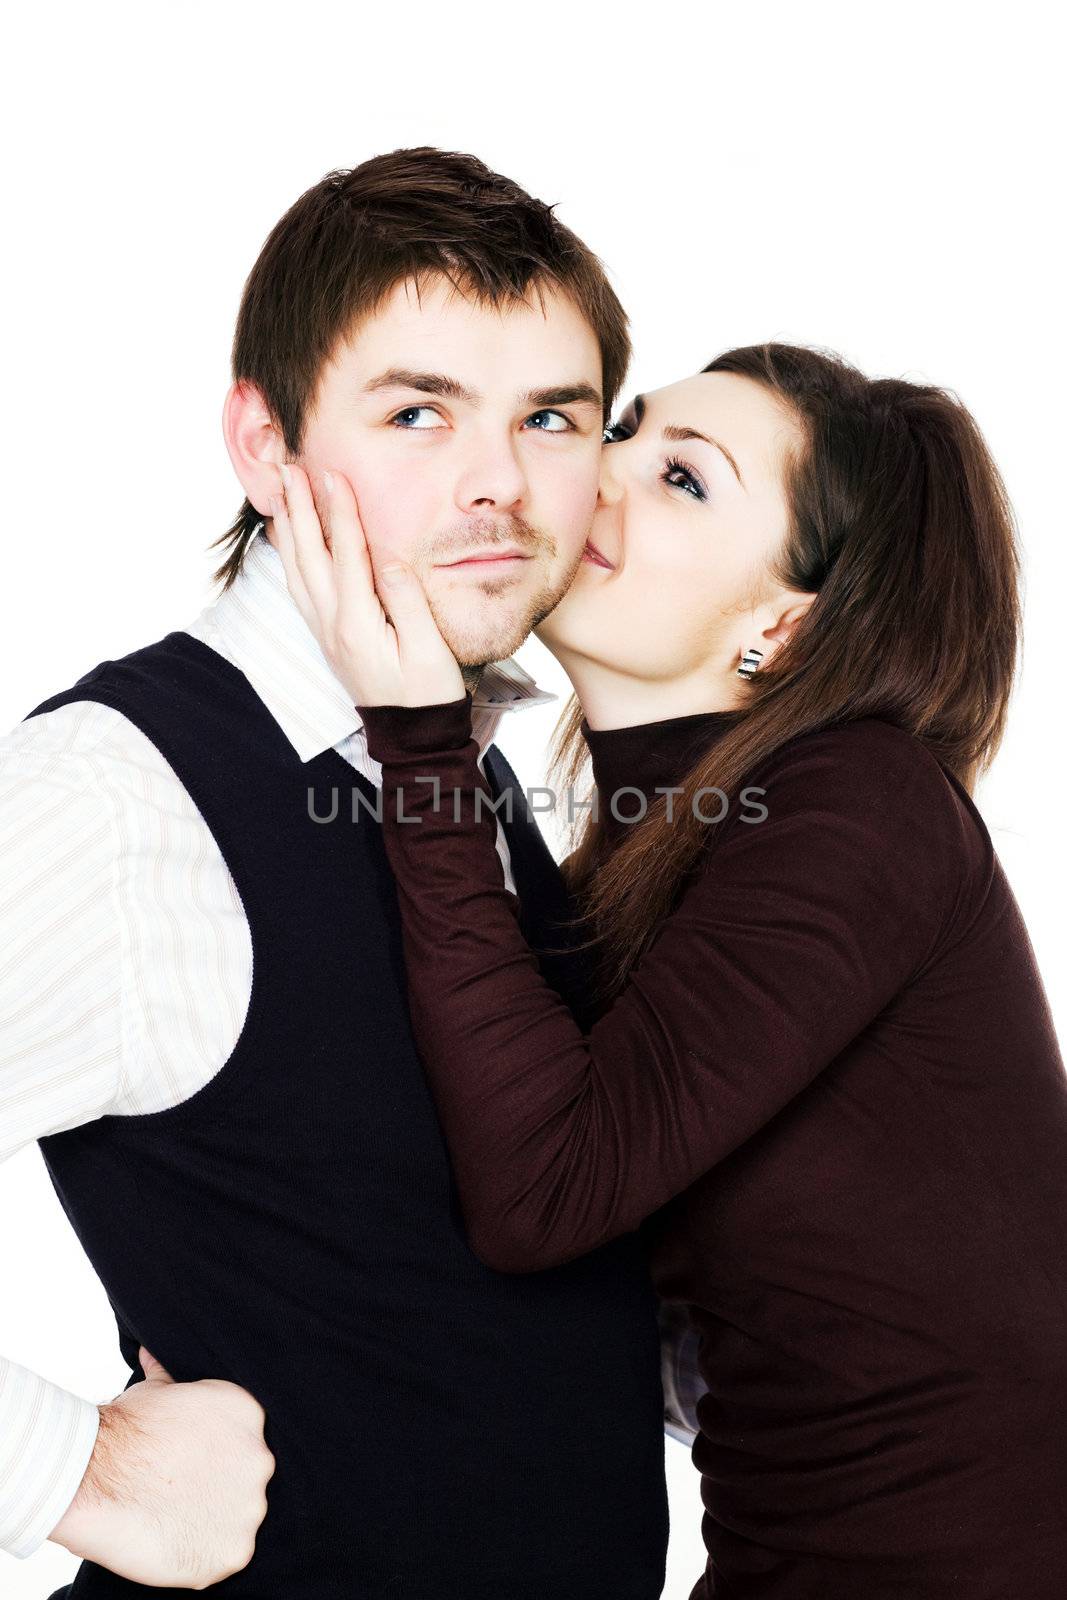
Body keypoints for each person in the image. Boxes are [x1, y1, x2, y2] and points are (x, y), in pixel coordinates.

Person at [273, 341, 1067, 1599]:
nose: (600, 472)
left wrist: (421, 746)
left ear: (783, 626)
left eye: (683, 477)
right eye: (622, 432)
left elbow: (545, 1190)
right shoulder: (628, 870)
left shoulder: (858, 808)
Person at [0, 148, 681, 1598]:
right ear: (262, 444)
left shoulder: (459, 772)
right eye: (417, 411)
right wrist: (78, 1473)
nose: (497, 483)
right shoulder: (121, 797)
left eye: (549, 416)